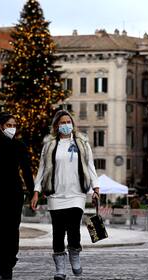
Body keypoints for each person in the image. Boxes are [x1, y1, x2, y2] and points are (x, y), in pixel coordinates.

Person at [31, 110, 100, 280]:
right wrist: (36, 192)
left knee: (74, 230)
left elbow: (90, 166)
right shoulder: (49, 145)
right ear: (56, 125)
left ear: (73, 124)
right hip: (55, 195)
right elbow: (42, 170)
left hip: (76, 194)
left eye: (68, 121)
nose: (65, 125)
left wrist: (95, 188)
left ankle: (75, 255)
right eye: (62, 122)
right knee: (58, 232)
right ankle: (60, 268)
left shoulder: (82, 143)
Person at [0, 112, 34, 279]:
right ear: (1, 126)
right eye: (9, 125)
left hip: (14, 192)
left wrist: (33, 193)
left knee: (11, 230)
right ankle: (4, 257)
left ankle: (7, 262)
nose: (12, 128)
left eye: (14, 125)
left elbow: (26, 171)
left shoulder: (20, 146)